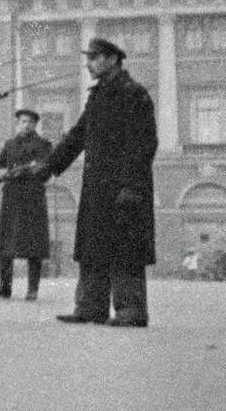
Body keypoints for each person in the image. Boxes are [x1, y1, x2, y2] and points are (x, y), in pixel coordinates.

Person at [42, 37, 158, 328]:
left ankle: (131, 310)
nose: (88, 63)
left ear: (112, 59)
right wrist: (50, 166)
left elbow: (144, 143)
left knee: (125, 247)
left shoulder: (134, 94)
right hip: (97, 185)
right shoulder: (98, 96)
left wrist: (131, 186)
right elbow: (78, 135)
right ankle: (91, 307)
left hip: (124, 186)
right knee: (93, 244)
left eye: (94, 58)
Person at [0, 107, 54, 300]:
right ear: (18, 123)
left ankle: (32, 289)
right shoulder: (10, 144)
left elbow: (45, 170)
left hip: (32, 199)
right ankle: (4, 287)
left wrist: (26, 171)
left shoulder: (43, 145)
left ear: (35, 125)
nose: (26, 125)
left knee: (34, 246)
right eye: (23, 121)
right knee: (6, 245)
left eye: (30, 122)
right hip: (12, 198)